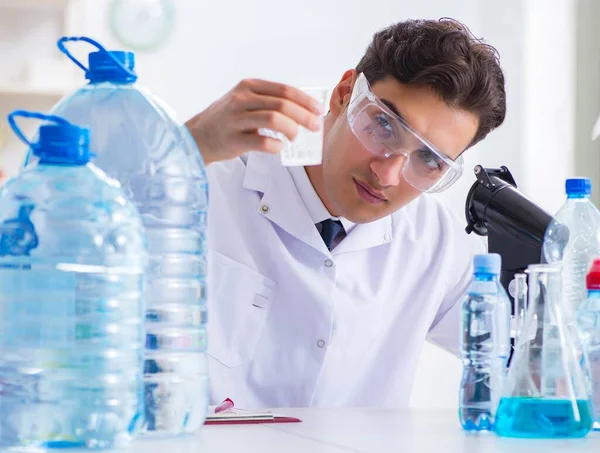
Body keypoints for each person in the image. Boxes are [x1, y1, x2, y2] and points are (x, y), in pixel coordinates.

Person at [185, 17, 506, 408]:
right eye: (384, 125)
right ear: (342, 95)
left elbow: (524, 357)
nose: (387, 174)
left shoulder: (435, 243)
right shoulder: (205, 183)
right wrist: (185, 145)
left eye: (429, 159)